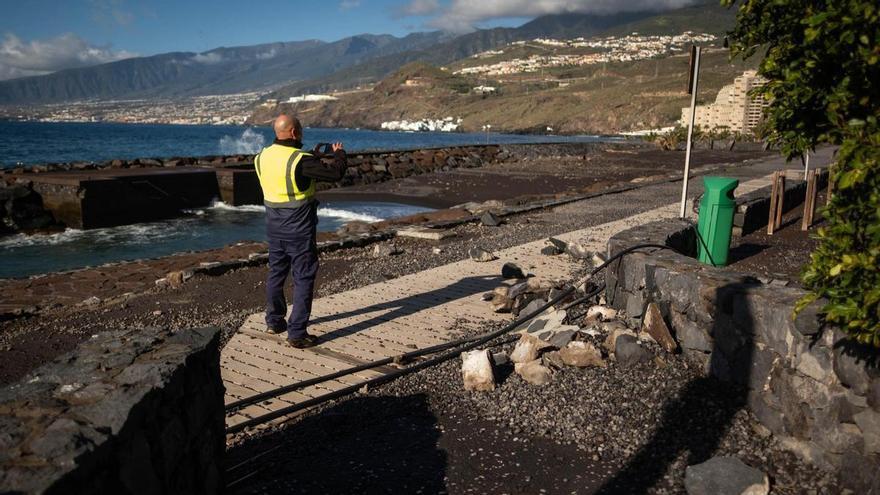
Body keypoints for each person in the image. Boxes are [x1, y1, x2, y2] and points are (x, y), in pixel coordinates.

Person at [254, 114, 347, 348]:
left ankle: (274, 322)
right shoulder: (301, 160)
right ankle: (297, 333)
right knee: (303, 277)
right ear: (295, 133)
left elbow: (284, 173)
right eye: (301, 129)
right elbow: (335, 173)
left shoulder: (262, 156)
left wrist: (312, 158)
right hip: (299, 229)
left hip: (273, 227)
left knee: (276, 273)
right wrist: (339, 154)